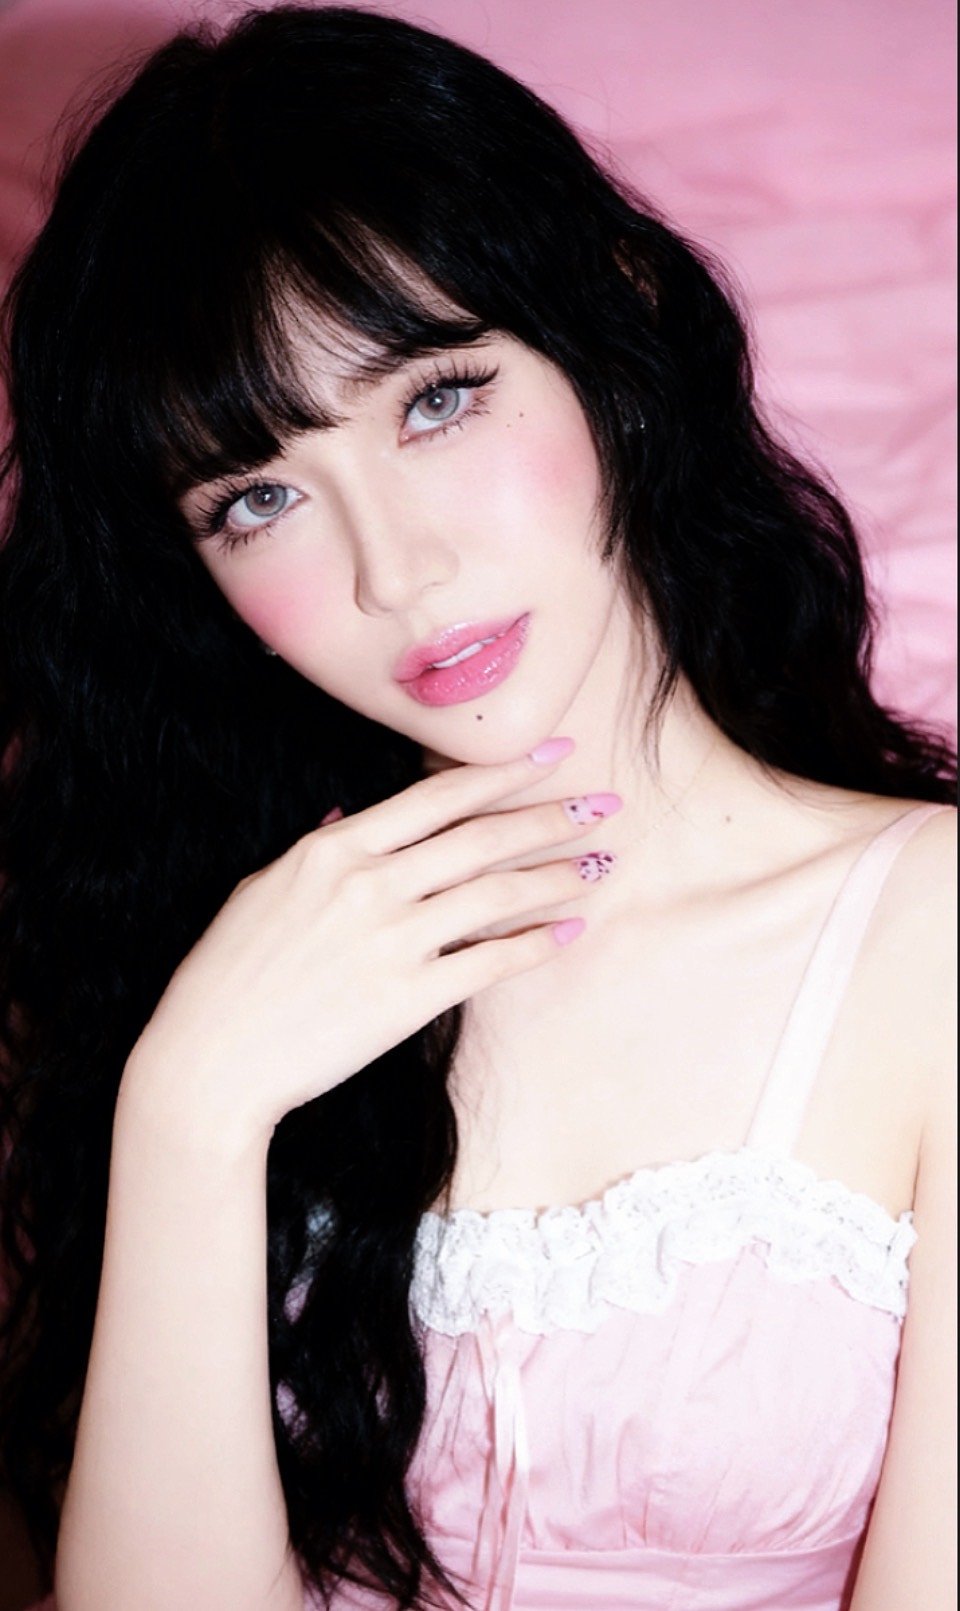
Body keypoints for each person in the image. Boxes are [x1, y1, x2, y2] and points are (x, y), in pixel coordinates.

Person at [0, 5, 955, 1609]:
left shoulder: (931, 939)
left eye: (435, 400)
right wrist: (190, 1109)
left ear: (615, 329)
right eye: (259, 498)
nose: (397, 570)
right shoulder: (212, 955)